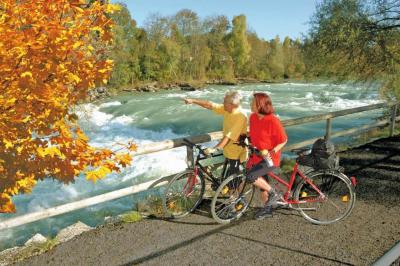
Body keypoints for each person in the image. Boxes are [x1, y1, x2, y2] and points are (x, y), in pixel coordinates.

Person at [183, 91, 247, 178]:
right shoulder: (228, 109)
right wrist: (193, 101)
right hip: (226, 148)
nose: (222, 103)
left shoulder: (240, 116)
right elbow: (210, 105)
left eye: (224, 102)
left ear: (231, 104)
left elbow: (229, 136)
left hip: (237, 152)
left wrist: (215, 148)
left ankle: (236, 190)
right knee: (207, 165)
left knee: (234, 182)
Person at [246, 92, 288, 220]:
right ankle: (267, 208)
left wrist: (272, 151)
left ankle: (274, 193)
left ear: (260, 105)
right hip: (256, 155)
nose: (250, 104)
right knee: (261, 183)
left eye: (253, 102)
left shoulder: (273, 121)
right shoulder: (253, 117)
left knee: (251, 176)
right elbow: (254, 133)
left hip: (270, 158)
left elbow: (284, 140)